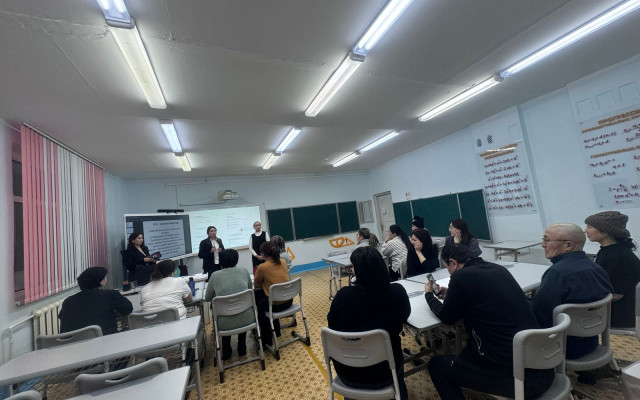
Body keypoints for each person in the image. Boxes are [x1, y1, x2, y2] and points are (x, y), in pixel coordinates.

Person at [426, 245, 554, 399]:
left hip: (518, 379)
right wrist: (453, 294)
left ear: (453, 263)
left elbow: (447, 317)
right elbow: (485, 297)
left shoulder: (460, 276)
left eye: (447, 267)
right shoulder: (497, 269)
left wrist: (429, 296)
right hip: (542, 364)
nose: (449, 271)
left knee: (436, 366)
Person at [327, 247, 410, 400]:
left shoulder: (343, 296)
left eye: (353, 267)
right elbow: (404, 317)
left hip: (348, 373)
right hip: (386, 373)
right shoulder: (396, 292)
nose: (352, 270)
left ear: (358, 271)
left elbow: (332, 326)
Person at [530, 223, 612, 360]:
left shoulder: (558, 273)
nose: (542, 244)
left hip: (558, 347)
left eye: (546, 240)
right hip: (590, 342)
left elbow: (539, 313)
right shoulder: (597, 268)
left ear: (568, 245)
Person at [584, 211, 640, 328]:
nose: (585, 231)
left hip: (620, 317)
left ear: (605, 231)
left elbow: (616, 294)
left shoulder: (619, 256)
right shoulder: (608, 251)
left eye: (590, 227)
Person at [205, 249, 253, 360]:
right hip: (247, 318)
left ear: (221, 261)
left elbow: (207, 298)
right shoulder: (244, 271)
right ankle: (242, 348)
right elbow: (250, 289)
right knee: (241, 308)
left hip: (223, 323)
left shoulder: (215, 275)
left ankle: (226, 351)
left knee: (225, 312)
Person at [59, 267, 133, 335]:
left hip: (73, 343)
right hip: (105, 340)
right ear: (101, 281)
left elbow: (63, 318)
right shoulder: (110, 294)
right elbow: (128, 309)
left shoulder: (67, 302)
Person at [254, 241, 290, 347]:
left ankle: (266, 340)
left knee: (259, 303)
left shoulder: (262, 267)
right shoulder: (283, 262)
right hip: (288, 301)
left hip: (275, 305)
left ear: (263, 254)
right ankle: (277, 331)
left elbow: (256, 285)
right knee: (270, 296)